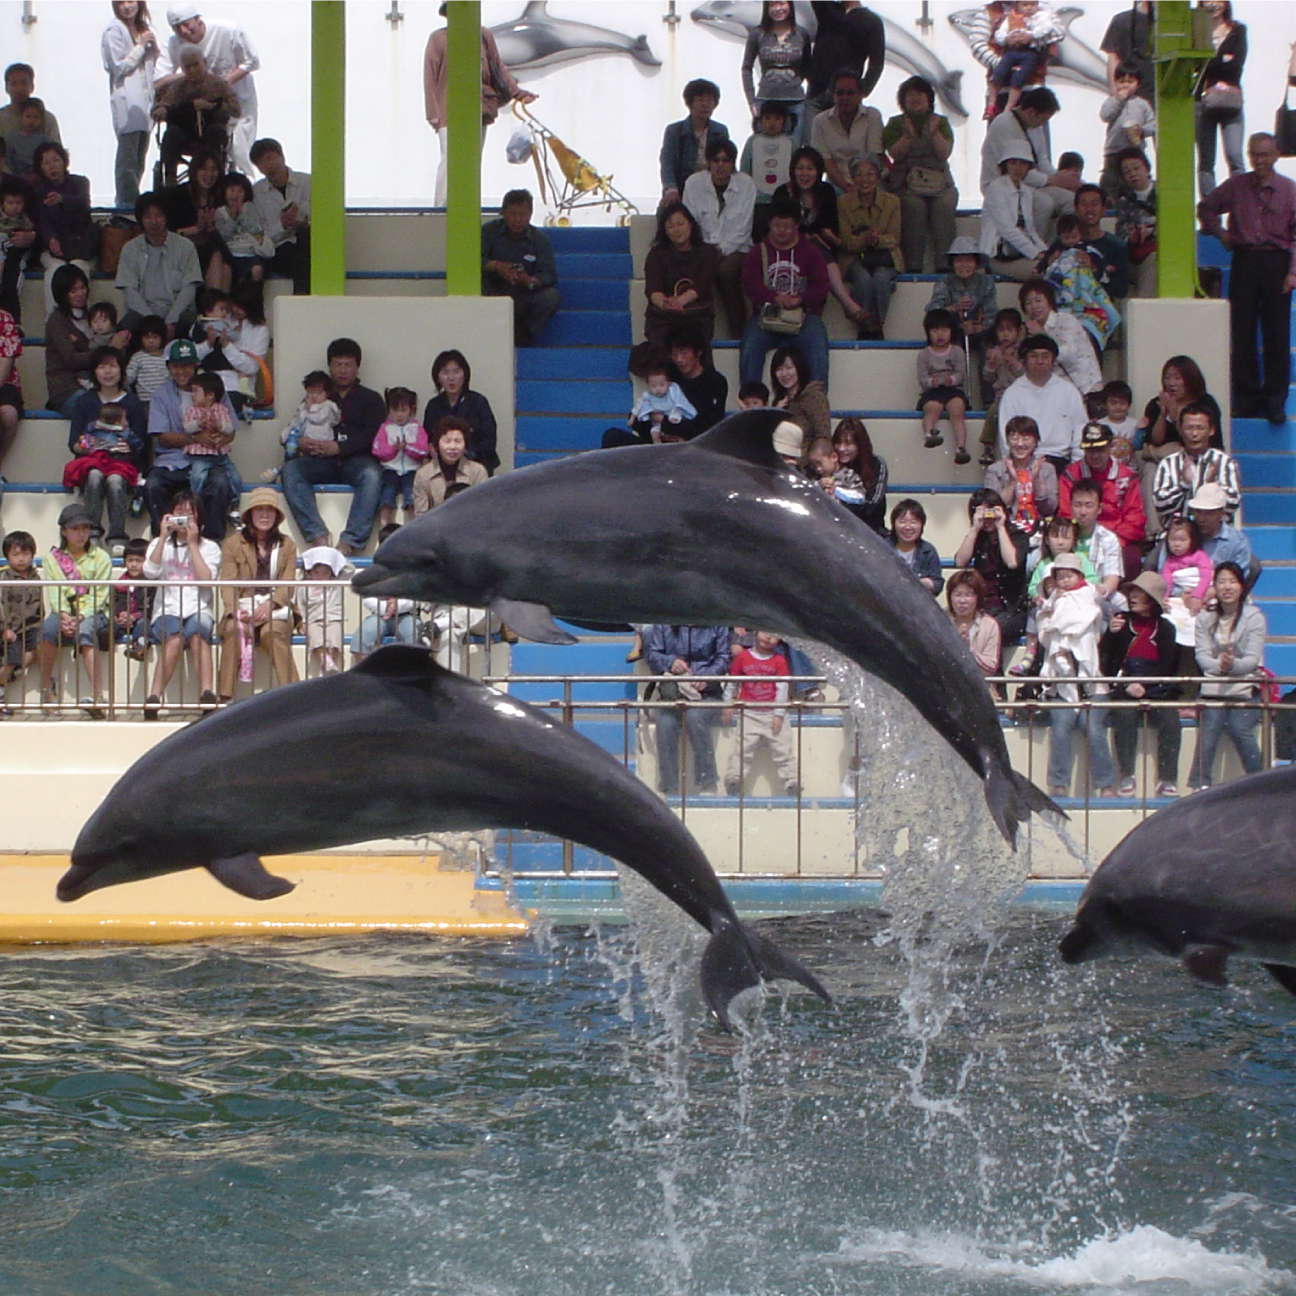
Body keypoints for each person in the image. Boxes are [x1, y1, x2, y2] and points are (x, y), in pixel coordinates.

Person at [1198, 132, 1296, 424]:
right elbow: (1206, 208)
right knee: (1242, 332)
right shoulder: (1237, 186)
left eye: (1265, 154)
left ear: (1276, 154)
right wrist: (1221, 234)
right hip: (1244, 260)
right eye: (1254, 154)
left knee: (1277, 333)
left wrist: (1293, 272)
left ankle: (1275, 401)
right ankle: (1247, 398)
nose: (1259, 160)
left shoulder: (1289, 190)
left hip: (1276, 261)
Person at [423, 5, 536, 208]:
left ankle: (466, 206)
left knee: (472, 162)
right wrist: (433, 113)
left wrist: (517, 93)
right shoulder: (439, 39)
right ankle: (441, 208)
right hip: (448, 110)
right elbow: (430, 76)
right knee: (450, 160)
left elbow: (498, 67)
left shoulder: (483, 35)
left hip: (478, 109)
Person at [281, 338, 385, 557]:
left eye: (348, 365)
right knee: (291, 470)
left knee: (372, 474)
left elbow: (373, 435)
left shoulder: (371, 398)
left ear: (357, 367)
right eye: (338, 364)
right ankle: (318, 537)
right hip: (319, 462)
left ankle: (349, 542)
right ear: (329, 366)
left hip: (356, 461)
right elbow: (297, 423)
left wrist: (339, 448)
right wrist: (300, 442)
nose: (343, 370)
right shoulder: (316, 395)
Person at [143, 337, 238, 540]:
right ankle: (163, 539)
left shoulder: (214, 389)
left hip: (210, 458)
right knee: (153, 485)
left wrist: (220, 440)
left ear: (195, 365)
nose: (181, 371)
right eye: (176, 366)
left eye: (186, 366)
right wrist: (196, 439)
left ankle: (212, 541)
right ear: (169, 367)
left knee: (221, 483)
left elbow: (232, 431)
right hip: (172, 460)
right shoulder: (161, 394)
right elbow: (163, 438)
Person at [1038, 552, 1114, 799]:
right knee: (1060, 728)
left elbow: (1087, 618)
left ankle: (1105, 784)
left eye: (1069, 576)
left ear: (1079, 576)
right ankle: (1058, 783)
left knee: (1093, 727)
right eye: (1060, 577)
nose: (1065, 581)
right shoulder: (1055, 601)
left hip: (1093, 684)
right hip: (1063, 685)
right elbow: (1047, 628)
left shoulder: (1090, 597)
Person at [1102, 570, 1182, 798]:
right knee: (1124, 716)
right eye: (1133, 591)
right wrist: (1110, 634)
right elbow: (1106, 663)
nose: (1133, 596)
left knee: (1170, 721)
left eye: (1140, 593)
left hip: (1157, 686)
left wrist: (1144, 685)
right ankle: (1127, 774)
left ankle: (1167, 777)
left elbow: (1169, 666)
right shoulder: (1121, 621)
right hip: (1125, 684)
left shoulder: (1166, 629)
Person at [154, 2, 259, 176]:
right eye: (177, 27)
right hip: (190, 123)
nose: (183, 31)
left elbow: (252, 61)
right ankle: (170, 181)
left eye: (187, 24)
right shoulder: (173, 45)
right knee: (172, 136)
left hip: (233, 105)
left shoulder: (227, 30)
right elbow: (159, 82)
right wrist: (191, 76)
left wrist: (220, 85)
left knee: (238, 150)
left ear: (198, 19)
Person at [141, 489, 219, 716]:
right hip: (167, 608)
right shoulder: (159, 543)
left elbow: (206, 579)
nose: (184, 519)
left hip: (199, 608)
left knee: (197, 637)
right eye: (179, 513)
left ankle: (206, 695)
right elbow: (150, 572)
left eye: (190, 514)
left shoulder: (210, 547)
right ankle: (154, 698)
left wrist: (193, 544)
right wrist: (163, 536)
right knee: (174, 639)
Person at [1189, 561, 1266, 790]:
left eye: (1232, 581)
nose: (1227, 587)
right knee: (1210, 725)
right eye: (1221, 581)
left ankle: (1260, 782)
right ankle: (1199, 785)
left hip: (1245, 688)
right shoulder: (1205, 619)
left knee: (1238, 726)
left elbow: (1252, 659)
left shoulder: (1254, 618)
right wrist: (1219, 665)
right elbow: (1202, 656)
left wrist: (1232, 665)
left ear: (1241, 586)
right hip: (1214, 688)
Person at [215, 487, 297, 700]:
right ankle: (224, 698)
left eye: (269, 510)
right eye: (258, 510)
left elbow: (288, 583)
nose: (264, 515)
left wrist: (270, 605)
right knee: (233, 630)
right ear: (249, 515)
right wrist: (235, 611)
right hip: (242, 607)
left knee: (273, 633)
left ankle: (294, 697)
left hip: (275, 609)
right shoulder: (232, 544)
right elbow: (228, 583)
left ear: (276, 516)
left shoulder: (287, 545)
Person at [64, 345, 147, 553]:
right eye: (102, 367)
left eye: (112, 366)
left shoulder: (132, 403)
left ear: (121, 370)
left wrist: (128, 445)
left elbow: (142, 443)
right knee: (93, 476)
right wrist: (85, 446)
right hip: (93, 459)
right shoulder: (85, 401)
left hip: (122, 462)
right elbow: (73, 442)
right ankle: (92, 533)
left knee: (115, 481)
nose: (107, 372)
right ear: (94, 371)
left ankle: (117, 536)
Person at [739, 196, 830, 387]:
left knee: (817, 344)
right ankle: (751, 401)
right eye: (777, 225)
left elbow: (821, 286)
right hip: (766, 316)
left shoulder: (811, 252)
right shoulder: (757, 252)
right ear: (769, 223)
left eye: (787, 226)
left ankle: (816, 400)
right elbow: (749, 283)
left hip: (802, 317)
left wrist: (801, 299)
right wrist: (773, 298)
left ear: (797, 225)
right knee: (750, 347)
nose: (782, 231)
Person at [774, 146, 867, 326]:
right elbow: (780, 227)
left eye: (810, 168)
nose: (805, 174)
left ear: (818, 171)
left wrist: (812, 235)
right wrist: (807, 235)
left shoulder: (827, 192)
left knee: (816, 248)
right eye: (800, 168)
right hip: (788, 250)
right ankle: (848, 304)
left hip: (819, 250)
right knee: (814, 245)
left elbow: (829, 227)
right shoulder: (783, 193)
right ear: (793, 170)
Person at [37, 503, 112, 718]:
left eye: (85, 529)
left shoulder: (101, 558)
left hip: (93, 612)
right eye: (75, 529)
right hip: (63, 611)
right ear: (64, 531)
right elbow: (55, 590)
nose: (81, 534)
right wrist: (63, 615)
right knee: (47, 631)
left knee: (87, 631)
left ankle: (97, 695)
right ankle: (46, 690)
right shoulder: (52, 559)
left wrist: (79, 617)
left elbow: (99, 595)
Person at [632, 201, 719, 374]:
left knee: (696, 348)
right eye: (670, 226)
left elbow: (701, 285)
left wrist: (680, 301)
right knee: (661, 349)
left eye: (680, 224)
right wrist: (666, 304)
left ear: (691, 225)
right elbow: (653, 289)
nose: (676, 229)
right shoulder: (657, 254)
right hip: (664, 316)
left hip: (696, 315)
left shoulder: (708, 252)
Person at [883, 75, 957, 275]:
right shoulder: (894, 123)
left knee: (944, 206)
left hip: (939, 181)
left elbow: (944, 153)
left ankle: (946, 265)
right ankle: (912, 266)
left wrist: (934, 133)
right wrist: (907, 134)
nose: (915, 98)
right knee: (913, 207)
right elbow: (895, 153)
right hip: (906, 181)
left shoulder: (941, 122)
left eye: (920, 94)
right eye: (910, 95)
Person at [644, 624, 730, 796]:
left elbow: (724, 658)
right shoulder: (664, 624)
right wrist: (670, 662)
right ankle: (669, 786)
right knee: (665, 722)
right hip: (674, 693)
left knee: (694, 716)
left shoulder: (717, 625)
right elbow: (652, 654)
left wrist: (707, 677)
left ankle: (707, 781)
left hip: (707, 694)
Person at [682, 139, 755, 340]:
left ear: (733, 163)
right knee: (697, 269)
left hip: (738, 249)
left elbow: (744, 228)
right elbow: (691, 223)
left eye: (726, 160)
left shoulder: (746, 184)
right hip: (702, 248)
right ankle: (698, 335)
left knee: (725, 271)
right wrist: (707, 251)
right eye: (716, 160)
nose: (721, 165)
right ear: (708, 162)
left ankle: (739, 334)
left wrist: (720, 250)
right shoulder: (693, 184)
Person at [1057, 421, 1145, 578]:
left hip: (1116, 536)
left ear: (1111, 447)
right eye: (1090, 450)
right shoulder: (1070, 475)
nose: (1095, 455)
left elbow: (1135, 517)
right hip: (1078, 536)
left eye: (1100, 449)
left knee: (1130, 560)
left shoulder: (1126, 476)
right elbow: (1065, 513)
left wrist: (1113, 541)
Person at [978, 86, 1076, 226]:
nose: (1042, 124)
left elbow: (1042, 160)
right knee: (1044, 204)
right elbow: (1014, 170)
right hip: (1004, 185)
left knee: (1071, 200)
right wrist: (1050, 180)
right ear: (1031, 112)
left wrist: (1061, 179)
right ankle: (1033, 245)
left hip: (1033, 184)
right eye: (1042, 119)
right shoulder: (1004, 125)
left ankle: (1058, 243)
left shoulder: (1034, 127)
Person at [721, 629, 800, 797]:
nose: (769, 636)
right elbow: (732, 682)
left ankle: (791, 781)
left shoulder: (779, 661)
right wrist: (727, 705)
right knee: (743, 750)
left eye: (775, 634)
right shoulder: (742, 658)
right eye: (765, 631)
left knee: (783, 749)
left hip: (771, 712)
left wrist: (778, 714)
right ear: (756, 632)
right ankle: (734, 779)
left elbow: (782, 688)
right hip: (749, 712)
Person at [116, 190, 203, 338]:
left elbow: (189, 289)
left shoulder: (185, 246)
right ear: (140, 219)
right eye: (148, 216)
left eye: (158, 215)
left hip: (177, 312)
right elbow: (130, 292)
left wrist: (170, 321)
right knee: (126, 327)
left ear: (166, 217)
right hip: (143, 313)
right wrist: (152, 322)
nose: (154, 221)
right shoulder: (130, 249)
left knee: (195, 326)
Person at [996, 332, 1087, 471]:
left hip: (1061, 461)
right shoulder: (1013, 393)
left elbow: (1080, 430)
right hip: (1025, 462)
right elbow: (1005, 437)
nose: (1040, 361)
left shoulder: (1068, 391)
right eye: (1034, 356)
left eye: (1045, 356)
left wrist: (1076, 468)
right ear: (1024, 360)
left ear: (1053, 360)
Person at [481, 188, 559, 347]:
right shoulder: (488, 232)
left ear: (530, 214)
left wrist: (528, 280)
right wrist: (497, 267)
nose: (517, 219)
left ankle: (525, 333)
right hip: (493, 291)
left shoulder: (540, 240)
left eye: (522, 215)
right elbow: (473, 260)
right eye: (512, 214)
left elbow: (549, 275)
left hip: (524, 295)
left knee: (550, 297)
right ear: (503, 213)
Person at [837, 155, 901, 340]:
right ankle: (864, 326)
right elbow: (846, 241)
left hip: (885, 256)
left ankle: (877, 326)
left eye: (870, 174)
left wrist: (877, 239)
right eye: (859, 175)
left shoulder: (892, 202)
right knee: (863, 280)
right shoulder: (843, 202)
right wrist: (863, 240)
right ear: (852, 178)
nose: (865, 180)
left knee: (881, 279)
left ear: (878, 178)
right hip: (854, 256)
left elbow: (895, 238)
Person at [31, 144, 98, 321]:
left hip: (81, 247)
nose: (52, 166)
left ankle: (82, 320)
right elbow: (41, 221)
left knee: (79, 269)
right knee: (54, 272)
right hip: (54, 250)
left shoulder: (80, 182)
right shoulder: (39, 192)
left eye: (56, 160)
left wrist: (63, 200)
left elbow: (84, 205)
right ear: (40, 168)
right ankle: (53, 322)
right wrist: (51, 239)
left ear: (64, 162)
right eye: (46, 163)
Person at [102, 0, 158, 209]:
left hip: (145, 104)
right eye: (122, 2)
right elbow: (119, 67)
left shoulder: (143, 28)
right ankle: (126, 204)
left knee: (139, 158)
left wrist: (152, 49)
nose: (127, 6)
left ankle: (135, 202)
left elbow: (152, 66)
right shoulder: (113, 31)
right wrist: (141, 46)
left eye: (131, 1)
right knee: (127, 160)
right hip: (127, 100)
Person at [151, 45, 238, 180]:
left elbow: (236, 109)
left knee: (215, 133)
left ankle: (216, 178)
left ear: (205, 63)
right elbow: (163, 103)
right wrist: (161, 109)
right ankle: (170, 179)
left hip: (211, 131)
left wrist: (211, 106)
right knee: (171, 135)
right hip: (186, 134)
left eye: (195, 65)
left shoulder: (220, 84)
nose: (192, 70)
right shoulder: (178, 86)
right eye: (187, 67)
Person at [1152, 401, 1241, 532]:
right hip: (1178, 538)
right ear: (1180, 430)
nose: (1194, 434)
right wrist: (1183, 485)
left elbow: (1233, 504)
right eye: (1189, 428)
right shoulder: (1168, 463)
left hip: (1216, 536)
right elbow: (1160, 506)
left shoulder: (1224, 462)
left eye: (1200, 428)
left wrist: (1211, 486)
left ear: (1211, 430)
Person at [954, 487, 1029, 643]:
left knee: (990, 630)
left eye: (990, 512)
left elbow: (1012, 562)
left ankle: (991, 667)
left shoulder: (1017, 535)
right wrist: (975, 528)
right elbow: (960, 562)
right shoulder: (978, 537)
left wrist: (1001, 527)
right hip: (982, 608)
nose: (988, 518)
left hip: (1010, 610)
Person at [803, 1, 885, 142]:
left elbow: (876, 62)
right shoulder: (827, 9)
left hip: (847, 95)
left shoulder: (872, 21)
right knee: (813, 146)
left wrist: (863, 91)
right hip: (817, 92)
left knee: (843, 145)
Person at [1194, 0, 1247, 197]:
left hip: (1230, 99)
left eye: (1218, 0)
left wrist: (1210, 62)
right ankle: (1210, 209)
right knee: (1206, 160)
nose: (1213, 4)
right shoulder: (1197, 33)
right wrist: (1223, 59)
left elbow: (1237, 64)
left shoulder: (1237, 30)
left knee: (1234, 155)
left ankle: (1241, 204)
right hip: (1203, 100)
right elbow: (1196, 65)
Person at [1018, 277, 1102, 398]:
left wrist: (1042, 336)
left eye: (1038, 300)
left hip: (1086, 388)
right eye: (1028, 303)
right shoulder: (1028, 330)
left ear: (1050, 302)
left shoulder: (1066, 320)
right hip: (1056, 391)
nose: (1034, 306)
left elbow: (1069, 355)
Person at [978, 142, 1049, 281]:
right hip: (997, 257)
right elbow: (1008, 230)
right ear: (1005, 165)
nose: (1018, 168)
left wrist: (1045, 252)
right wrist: (1036, 254)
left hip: (1019, 254)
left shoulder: (1026, 191)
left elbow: (1030, 230)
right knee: (1043, 273)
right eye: (1013, 162)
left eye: (1023, 163)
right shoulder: (996, 188)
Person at [249, 137, 310, 295]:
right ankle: (301, 297)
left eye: (270, 158)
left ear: (282, 157)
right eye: (261, 163)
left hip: (307, 243)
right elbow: (259, 235)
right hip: (279, 249)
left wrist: (301, 221)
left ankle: (300, 297)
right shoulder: (256, 193)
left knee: (305, 239)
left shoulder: (308, 182)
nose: (267, 165)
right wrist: (281, 225)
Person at [422, 348, 498, 474]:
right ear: (437, 377)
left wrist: (463, 454)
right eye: (445, 373)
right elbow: (428, 439)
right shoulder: (433, 405)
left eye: (456, 372)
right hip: (442, 465)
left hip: (476, 463)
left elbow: (489, 441)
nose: (451, 378)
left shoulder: (479, 402)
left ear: (465, 374)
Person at [741, 2, 811, 139]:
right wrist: (751, 102)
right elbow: (746, 68)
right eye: (772, 4)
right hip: (766, 101)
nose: (777, 9)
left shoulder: (801, 34)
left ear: (790, 5)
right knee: (765, 149)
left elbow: (807, 68)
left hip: (795, 103)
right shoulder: (758, 34)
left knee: (793, 149)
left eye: (781, 3)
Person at [160, 147, 227, 290]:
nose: (209, 174)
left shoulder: (221, 197)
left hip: (214, 250)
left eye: (213, 169)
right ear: (195, 170)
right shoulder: (178, 196)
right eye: (203, 169)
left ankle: (216, 306)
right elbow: (169, 233)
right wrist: (197, 229)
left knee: (225, 266)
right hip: (183, 251)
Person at [352, 526, 420, 662]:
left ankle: (411, 677)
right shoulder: (374, 569)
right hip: (379, 615)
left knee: (416, 636)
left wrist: (396, 604)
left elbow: (417, 598)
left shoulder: (413, 569)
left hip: (407, 615)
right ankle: (365, 676)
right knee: (362, 636)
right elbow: (367, 597)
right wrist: (386, 608)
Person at [808, 69, 882, 194]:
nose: (844, 98)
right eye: (840, 93)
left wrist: (862, 186)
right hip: (836, 184)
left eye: (850, 93)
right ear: (833, 95)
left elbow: (874, 157)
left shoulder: (872, 116)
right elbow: (825, 161)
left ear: (860, 95)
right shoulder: (820, 121)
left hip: (869, 181)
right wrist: (846, 187)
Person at [988, 1, 1065, 117]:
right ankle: (991, 105)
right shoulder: (991, 11)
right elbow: (978, 45)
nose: (1029, 7)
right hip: (1002, 87)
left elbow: (1058, 32)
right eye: (1025, 5)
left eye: (1032, 4)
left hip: (1033, 85)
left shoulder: (1043, 11)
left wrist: (1032, 38)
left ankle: (1008, 107)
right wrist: (1002, 59)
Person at [984, 413, 1058, 533]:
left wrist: (1036, 480)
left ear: (1036, 441)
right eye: (1014, 438)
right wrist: (1012, 482)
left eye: (1026, 438)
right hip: (1006, 530)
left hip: (1040, 531)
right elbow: (995, 508)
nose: (1020, 444)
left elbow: (1049, 508)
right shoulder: (995, 470)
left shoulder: (1047, 469)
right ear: (1007, 441)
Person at [660, 78, 729, 205]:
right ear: (690, 103)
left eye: (710, 100)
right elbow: (667, 163)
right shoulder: (674, 130)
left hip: (713, 188)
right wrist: (671, 189)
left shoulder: (721, 130)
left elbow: (727, 161)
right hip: (682, 188)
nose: (705, 104)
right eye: (700, 99)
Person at [925, 236, 996, 356]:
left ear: (976, 263)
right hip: (951, 334)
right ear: (952, 263)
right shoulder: (944, 282)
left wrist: (977, 328)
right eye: (959, 260)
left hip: (980, 333)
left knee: (989, 345)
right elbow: (931, 311)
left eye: (969, 260)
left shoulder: (986, 283)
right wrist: (953, 308)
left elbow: (992, 314)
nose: (964, 265)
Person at [265, 368, 338, 481]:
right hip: (304, 447)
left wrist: (310, 408)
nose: (314, 396)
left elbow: (318, 418)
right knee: (291, 456)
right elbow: (296, 421)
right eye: (310, 392)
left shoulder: (328, 406)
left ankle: (278, 470)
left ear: (327, 393)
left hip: (322, 447)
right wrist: (286, 434)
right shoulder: (304, 406)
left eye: (319, 392)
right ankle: (275, 472)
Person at [917, 308, 970, 462]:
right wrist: (930, 382)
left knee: (957, 410)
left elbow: (961, 374)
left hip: (953, 390)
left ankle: (961, 447)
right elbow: (921, 377)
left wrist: (952, 380)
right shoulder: (924, 354)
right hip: (932, 392)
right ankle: (928, 434)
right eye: (935, 331)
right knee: (933, 408)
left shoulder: (957, 352)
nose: (940, 335)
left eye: (944, 330)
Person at [372, 385, 429, 530]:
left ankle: (413, 526)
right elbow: (377, 450)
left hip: (411, 470)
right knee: (386, 495)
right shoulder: (385, 428)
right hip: (390, 470)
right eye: (395, 410)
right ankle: (384, 526)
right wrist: (394, 450)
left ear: (411, 409)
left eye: (403, 410)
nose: (399, 415)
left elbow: (423, 450)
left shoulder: (417, 428)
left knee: (411, 495)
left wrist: (407, 448)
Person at [180, 369, 239, 507]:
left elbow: (230, 428)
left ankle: (234, 504)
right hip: (200, 455)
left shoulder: (221, 409)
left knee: (234, 477)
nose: (192, 395)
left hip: (219, 454)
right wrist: (199, 423)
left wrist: (219, 425)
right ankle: (195, 503)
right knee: (197, 476)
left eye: (195, 391)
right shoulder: (192, 410)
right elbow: (187, 427)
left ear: (210, 395)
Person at [1099, 63, 1155, 202]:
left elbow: (1153, 124)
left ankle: (1136, 204)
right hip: (1114, 150)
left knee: (1133, 182)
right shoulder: (1112, 101)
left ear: (1138, 84)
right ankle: (1110, 204)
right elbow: (1105, 115)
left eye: (1130, 82)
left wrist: (1142, 131)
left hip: (1135, 150)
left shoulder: (1142, 104)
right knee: (1111, 181)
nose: (1125, 85)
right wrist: (1118, 99)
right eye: (1121, 81)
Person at [0, 529, 42, 711]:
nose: (21, 559)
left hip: (31, 626)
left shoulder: (36, 577)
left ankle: (14, 673)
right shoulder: (4, 578)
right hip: (11, 628)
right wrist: (4, 629)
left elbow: (40, 605)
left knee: (41, 645)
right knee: (11, 658)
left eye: (25, 554)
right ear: (7, 556)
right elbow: (1, 606)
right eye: (15, 554)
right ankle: (1, 689)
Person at [742, 101, 794, 244]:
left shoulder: (791, 142)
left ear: (785, 121)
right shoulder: (752, 141)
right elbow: (745, 170)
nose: (772, 123)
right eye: (768, 118)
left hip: (785, 201)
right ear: (760, 120)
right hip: (758, 201)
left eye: (777, 119)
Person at [412, 415, 488, 513]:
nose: (452, 447)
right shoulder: (423, 475)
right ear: (437, 444)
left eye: (458, 441)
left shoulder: (478, 472)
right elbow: (420, 516)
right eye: (447, 441)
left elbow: (482, 509)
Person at [1159, 515, 1214, 650]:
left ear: (1192, 540)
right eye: (1173, 540)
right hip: (1180, 596)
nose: (1177, 544)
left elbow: (1205, 576)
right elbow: (1167, 583)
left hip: (1201, 594)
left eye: (1182, 540)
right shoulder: (1169, 562)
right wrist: (1164, 598)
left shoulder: (1199, 556)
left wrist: (1197, 596)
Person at [979, 307, 1025, 464]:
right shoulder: (994, 352)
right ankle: (988, 447)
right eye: (1001, 330)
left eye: (1010, 330)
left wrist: (1012, 362)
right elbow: (987, 377)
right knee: (993, 412)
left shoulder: (1023, 351)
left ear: (1018, 331)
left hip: (1021, 393)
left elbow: (1023, 374)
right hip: (1001, 395)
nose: (1005, 334)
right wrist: (990, 365)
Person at [298, 545, 350, 678]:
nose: (321, 577)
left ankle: (328, 664)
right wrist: (301, 623)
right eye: (317, 573)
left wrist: (331, 554)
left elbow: (350, 569)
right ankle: (325, 661)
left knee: (335, 638)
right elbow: (300, 606)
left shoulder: (335, 583)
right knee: (316, 638)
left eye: (325, 573)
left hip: (333, 618)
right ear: (310, 572)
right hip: (313, 620)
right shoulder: (304, 587)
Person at [1072, 182, 1130, 302]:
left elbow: (1121, 290)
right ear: (1075, 209)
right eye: (1083, 204)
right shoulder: (1065, 242)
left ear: (1104, 209)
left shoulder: (1117, 246)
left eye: (1094, 204)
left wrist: (1095, 270)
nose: (1089, 210)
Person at [1068, 477, 1124, 598]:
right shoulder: (1062, 536)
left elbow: (1112, 578)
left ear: (1099, 509)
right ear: (1071, 507)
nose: (1083, 512)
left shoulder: (1109, 539)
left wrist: (1100, 591)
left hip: (1096, 595)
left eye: (1089, 506)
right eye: (1078, 505)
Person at [214, 171, 273, 285]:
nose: (235, 195)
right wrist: (233, 218)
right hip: (231, 254)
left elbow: (256, 229)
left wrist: (241, 215)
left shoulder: (250, 207)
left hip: (251, 252)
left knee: (257, 271)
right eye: (232, 190)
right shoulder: (220, 212)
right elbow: (224, 236)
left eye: (240, 191)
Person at [1113, 147, 1157, 297]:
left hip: (1160, 252)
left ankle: (1144, 307)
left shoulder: (1163, 192)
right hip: (1135, 256)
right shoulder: (1124, 200)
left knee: (1153, 260)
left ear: (1147, 167)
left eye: (1136, 168)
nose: (1132, 174)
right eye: (1127, 171)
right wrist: (1131, 237)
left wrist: (1151, 231)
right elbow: (1120, 232)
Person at [833, 416, 887, 534]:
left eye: (848, 443)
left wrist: (839, 504)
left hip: (870, 531)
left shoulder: (876, 464)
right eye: (838, 442)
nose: (841, 448)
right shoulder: (830, 464)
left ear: (860, 444)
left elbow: (871, 506)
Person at [769, 344, 828, 449]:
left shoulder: (813, 396)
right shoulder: (779, 401)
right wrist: (775, 413)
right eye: (779, 369)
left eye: (789, 368)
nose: (784, 374)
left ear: (799, 368)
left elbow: (823, 435)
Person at [947, 568, 1002, 681]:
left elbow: (990, 668)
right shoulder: (941, 620)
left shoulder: (989, 625)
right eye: (957, 594)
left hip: (977, 686)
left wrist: (968, 652)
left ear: (978, 597)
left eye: (968, 595)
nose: (962, 600)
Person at [627, 362, 698, 443]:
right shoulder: (647, 396)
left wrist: (671, 418)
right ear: (648, 385)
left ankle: (677, 440)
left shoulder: (673, 393)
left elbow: (679, 405)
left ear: (668, 383)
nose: (658, 389)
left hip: (672, 420)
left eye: (662, 385)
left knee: (675, 425)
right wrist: (632, 419)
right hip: (656, 425)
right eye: (653, 386)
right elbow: (637, 408)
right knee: (654, 432)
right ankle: (658, 445)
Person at [1100, 0, 1153, 103]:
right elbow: (1113, 59)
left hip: (1168, 97)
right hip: (1133, 98)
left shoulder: (1178, 24)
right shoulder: (1122, 20)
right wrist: (1116, 96)